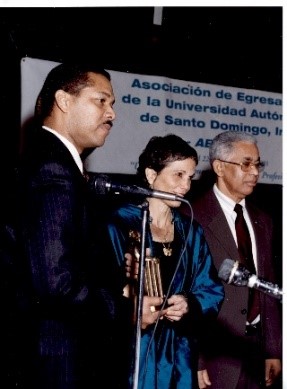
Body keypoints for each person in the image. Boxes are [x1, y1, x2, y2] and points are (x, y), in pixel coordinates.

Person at [3, 62, 119, 388]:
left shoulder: (47, 159)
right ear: (64, 101)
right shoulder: (54, 168)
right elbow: (56, 282)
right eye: (101, 100)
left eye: (112, 105)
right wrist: (123, 306)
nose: (112, 114)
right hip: (55, 356)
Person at [101, 134, 225, 388]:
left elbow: (210, 288)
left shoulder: (191, 230)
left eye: (189, 177)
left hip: (179, 353)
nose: (185, 186)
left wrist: (189, 304)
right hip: (133, 349)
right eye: (177, 175)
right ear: (150, 175)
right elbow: (102, 289)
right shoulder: (120, 223)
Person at [191, 131, 282, 388]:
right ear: (219, 167)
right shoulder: (193, 216)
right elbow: (188, 293)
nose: (254, 172)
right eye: (246, 163)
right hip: (215, 357)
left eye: (257, 164)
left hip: (256, 353)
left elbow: (268, 288)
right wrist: (197, 360)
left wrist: (274, 350)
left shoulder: (263, 220)